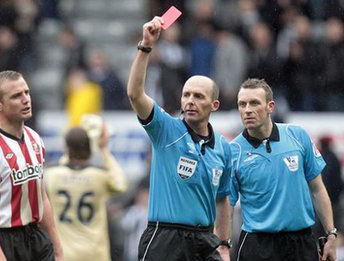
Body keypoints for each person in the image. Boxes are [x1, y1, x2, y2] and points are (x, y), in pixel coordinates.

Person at [127, 16, 233, 261]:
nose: (190, 101)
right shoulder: (166, 129)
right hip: (165, 238)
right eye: (186, 95)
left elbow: (223, 199)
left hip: (205, 240)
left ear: (214, 105)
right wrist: (146, 46)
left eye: (198, 96)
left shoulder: (224, 148)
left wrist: (224, 244)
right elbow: (135, 94)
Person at [230, 78, 337, 261]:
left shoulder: (298, 135)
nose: (247, 109)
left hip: (301, 243)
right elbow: (226, 204)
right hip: (257, 245)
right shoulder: (232, 151)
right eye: (242, 104)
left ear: (270, 106)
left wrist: (331, 235)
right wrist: (223, 245)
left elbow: (318, 189)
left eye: (254, 103)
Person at [0, 70, 63, 261]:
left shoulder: (35, 139)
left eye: (26, 92)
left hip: (34, 237)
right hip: (0, 239)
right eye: (16, 96)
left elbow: (41, 198)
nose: (26, 99)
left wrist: (58, 248)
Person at [45, 126, 128, 261]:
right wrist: (103, 150)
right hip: (94, 253)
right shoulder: (100, 176)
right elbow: (121, 184)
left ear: (67, 148)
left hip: (64, 253)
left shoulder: (51, 174)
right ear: (90, 149)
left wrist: (71, 149)